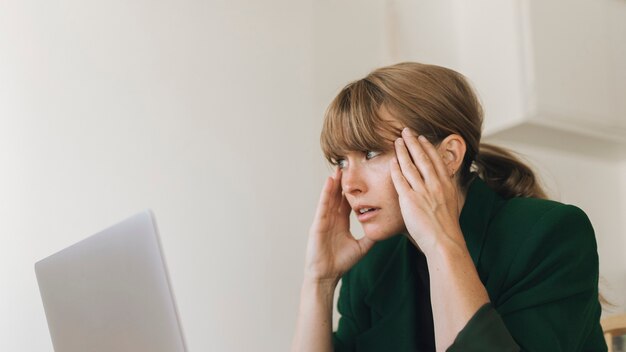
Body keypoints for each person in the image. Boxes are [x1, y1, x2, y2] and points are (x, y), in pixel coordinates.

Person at [291, 62, 607, 351]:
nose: (349, 184)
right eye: (341, 161)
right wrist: (319, 281)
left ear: (448, 156)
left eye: (371, 153)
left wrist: (440, 241)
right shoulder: (371, 267)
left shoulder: (548, 234)